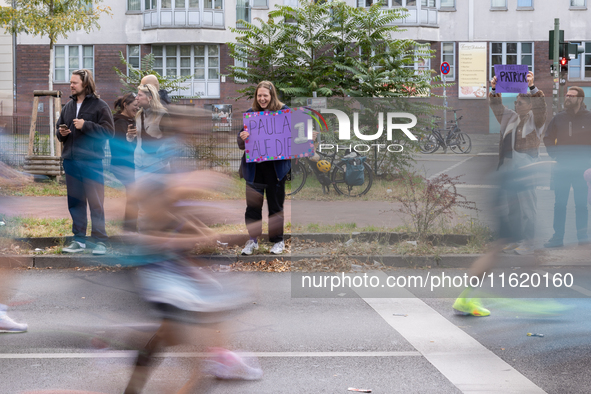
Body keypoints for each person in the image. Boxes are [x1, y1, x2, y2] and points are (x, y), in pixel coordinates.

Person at [488, 71, 546, 255]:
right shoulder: (510, 116)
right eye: (515, 102)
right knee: (513, 206)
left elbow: (541, 107)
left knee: (528, 206)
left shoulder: (536, 120)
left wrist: (532, 86)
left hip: (526, 165)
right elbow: (496, 106)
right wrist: (494, 88)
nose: (516, 104)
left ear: (530, 105)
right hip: (509, 165)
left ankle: (530, 241)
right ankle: (516, 239)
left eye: (520, 102)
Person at [57, 69, 115, 255]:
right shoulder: (67, 107)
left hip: (92, 162)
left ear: (85, 84)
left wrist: (86, 125)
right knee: (75, 203)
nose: (71, 86)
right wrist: (61, 133)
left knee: (96, 203)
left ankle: (100, 242)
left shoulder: (100, 106)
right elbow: (59, 131)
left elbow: (109, 133)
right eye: (71, 82)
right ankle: (79, 240)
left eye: (74, 83)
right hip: (71, 162)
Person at [237, 81, 291, 255]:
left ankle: (278, 241)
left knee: (276, 207)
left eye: (265, 96)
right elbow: (240, 144)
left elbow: (294, 136)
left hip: (276, 171)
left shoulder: (283, 112)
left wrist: (307, 135)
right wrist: (242, 137)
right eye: (259, 96)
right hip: (254, 171)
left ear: (271, 96)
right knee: (253, 208)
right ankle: (253, 240)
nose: (262, 99)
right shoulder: (250, 114)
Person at [543, 86, 591, 247]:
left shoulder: (589, 117)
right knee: (560, 204)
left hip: (582, 169)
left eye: (571, 95)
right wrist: (555, 155)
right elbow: (548, 138)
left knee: (581, 205)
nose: (568, 98)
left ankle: (582, 237)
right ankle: (558, 238)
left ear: (580, 99)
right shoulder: (559, 118)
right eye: (567, 95)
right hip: (562, 168)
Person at [111, 93, 140, 232]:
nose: (137, 108)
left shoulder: (130, 121)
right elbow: (120, 147)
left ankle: (130, 227)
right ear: (125, 105)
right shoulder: (120, 122)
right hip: (123, 165)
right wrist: (130, 139)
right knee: (134, 194)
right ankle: (130, 229)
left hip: (129, 165)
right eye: (135, 105)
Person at [133, 83, 173, 179]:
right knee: (140, 194)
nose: (136, 98)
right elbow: (138, 140)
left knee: (159, 194)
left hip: (157, 168)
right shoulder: (138, 115)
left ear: (150, 98)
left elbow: (171, 140)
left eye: (140, 95)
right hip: (139, 166)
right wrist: (130, 136)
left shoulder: (162, 115)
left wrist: (162, 161)